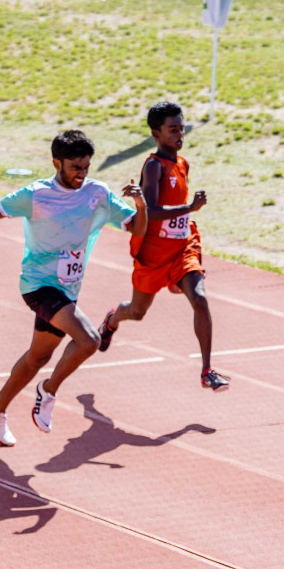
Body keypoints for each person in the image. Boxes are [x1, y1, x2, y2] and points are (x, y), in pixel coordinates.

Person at [0, 129, 147, 442]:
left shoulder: (97, 192)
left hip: (68, 287)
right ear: (57, 162)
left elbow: (138, 228)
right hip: (38, 285)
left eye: (86, 167)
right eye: (75, 168)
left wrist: (141, 204)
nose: (81, 174)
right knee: (89, 340)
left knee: (38, 357)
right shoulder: (36, 194)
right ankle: (48, 390)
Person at [97, 101, 229, 392]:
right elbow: (151, 210)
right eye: (172, 130)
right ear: (156, 133)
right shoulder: (154, 166)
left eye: (182, 128)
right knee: (136, 311)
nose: (179, 134)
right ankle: (112, 320)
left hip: (182, 248)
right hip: (153, 255)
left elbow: (175, 208)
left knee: (200, 299)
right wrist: (190, 208)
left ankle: (207, 370)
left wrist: (186, 213)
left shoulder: (182, 163)